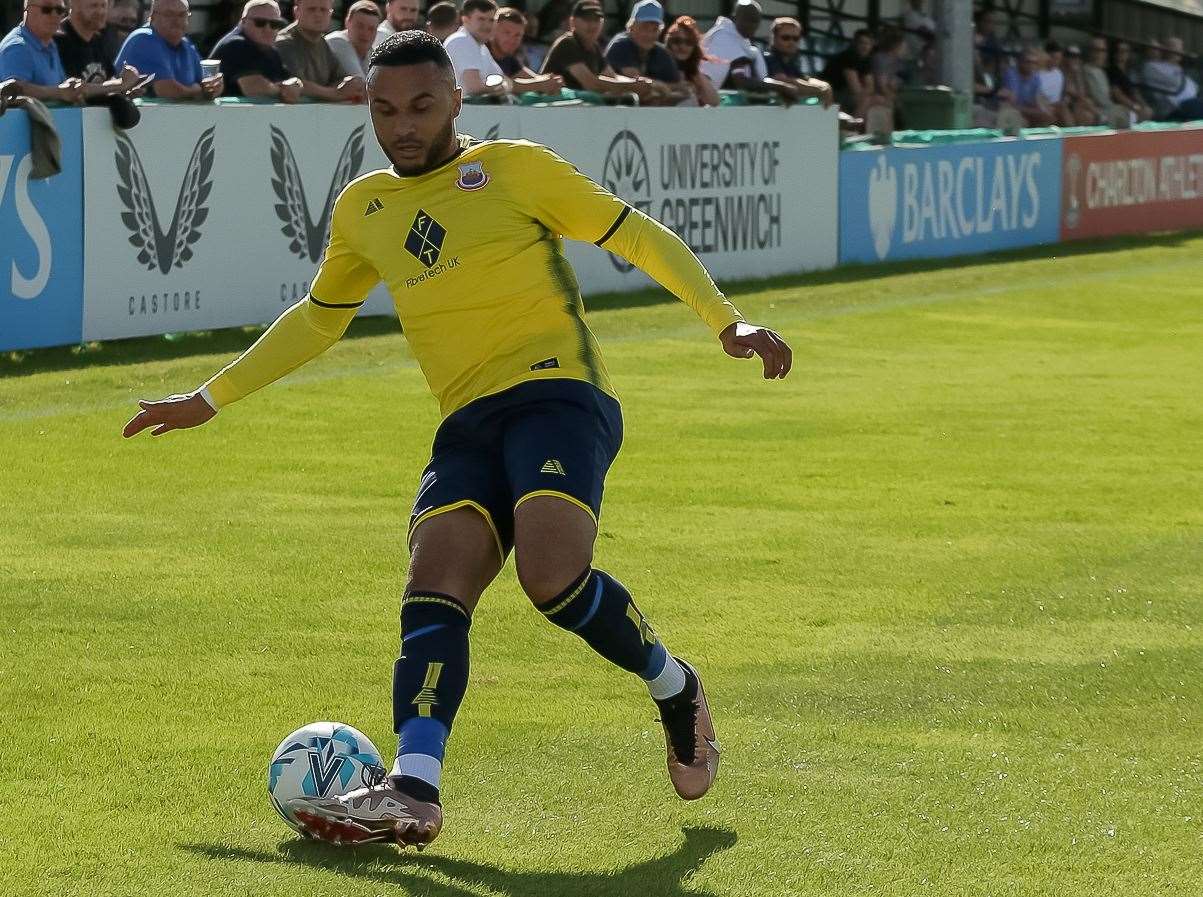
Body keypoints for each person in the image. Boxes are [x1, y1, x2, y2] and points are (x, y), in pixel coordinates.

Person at [123, 28, 791, 852]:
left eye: (420, 105)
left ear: (455, 100)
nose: (401, 124)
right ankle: (414, 787)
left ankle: (675, 686)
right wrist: (209, 396)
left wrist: (728, 320)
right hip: (466, 420)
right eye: (383, 108)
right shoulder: (364, 208)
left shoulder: (515, 169)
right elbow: (317, 320)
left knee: (551, 579)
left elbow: (637, 234)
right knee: (432, 583)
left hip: (557, 393)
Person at [540, 0, 651, 99]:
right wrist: (631, 86)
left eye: (596, 20)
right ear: (572, 22)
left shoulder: (594, 47)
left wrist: (637, 83)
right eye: (587, 19)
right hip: (546, 109)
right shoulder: (567, 44)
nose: (592, 25)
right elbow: (591, 84)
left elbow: (613, 77)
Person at [115, 0, 221, 99]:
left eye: (182, 15)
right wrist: (200, 92)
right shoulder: (144, 38)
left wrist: (215, 86)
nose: (177, 21)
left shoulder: (185, 45)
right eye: (169, 14)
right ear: (152, 17)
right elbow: (167, 90)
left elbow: (207, 83)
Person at [275, 0, 364, 101]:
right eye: (311, 9)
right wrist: (337, 93)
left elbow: (340, 79)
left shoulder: (322, 43)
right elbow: (298, 84)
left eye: (323, 10)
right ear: (296, 11)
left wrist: (351, 86)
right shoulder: (285, 43)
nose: (318, 14)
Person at [209, 0, 300, 100]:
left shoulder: (272, 51)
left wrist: (295, 83)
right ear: (243, 22)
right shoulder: (236, 44)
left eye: (274, 24)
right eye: (260, 23)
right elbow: (255, 88)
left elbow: (289, 81)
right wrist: (285, 89)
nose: (268, 29)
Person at [55, 0, 145, 98]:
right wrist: (120, 85)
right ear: (74, 5)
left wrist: (126, 90)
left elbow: (108, 82)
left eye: (103, 6)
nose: (101, 12)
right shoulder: (58, 40)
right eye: (94, 5)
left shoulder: (98, 40)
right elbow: (72, 90)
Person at [0, 0, 85, 102]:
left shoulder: (50, 44)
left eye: (59, 10)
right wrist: (59, 92)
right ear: (28, 11)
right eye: (46, 9)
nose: (54, 15)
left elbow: (62, 89)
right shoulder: (17, 48)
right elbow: (11, 92)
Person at [604, 0, 686, 105]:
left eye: (655, 29)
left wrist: (663, 90)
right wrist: (660, 87)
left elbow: (682, 88)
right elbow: (637, 83)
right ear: (631, 27)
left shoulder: (661, 52)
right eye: (644, 28)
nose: (649, 34)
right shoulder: (621, 45)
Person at [444, 0, 511, 97]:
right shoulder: (462, 41)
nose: (487, 25)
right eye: (481, 19)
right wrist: (501, 88)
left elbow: (503, 79)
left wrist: (503, 86)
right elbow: (474, 88)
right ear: (465, 20)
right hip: (462, 110)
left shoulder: (481, 47)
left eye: (491, 20)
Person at [487, 6, 561, 94]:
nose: (512, 40)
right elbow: (498, 85)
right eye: (507, 33)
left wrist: (552, 82)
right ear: (493, 30)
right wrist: (539, 85)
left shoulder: (509, 59)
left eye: (517, 35)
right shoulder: (482, 53)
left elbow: (533, 79)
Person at [764, 17, 831, 107]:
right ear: (773, 38)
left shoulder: (789, 63)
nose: (791, 42)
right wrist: (820, 90)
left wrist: (825, 86)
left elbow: (804, 79)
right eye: (785, 38)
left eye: (796, 38)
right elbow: (785, 81)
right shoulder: (769, 58)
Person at [663, 15, 716, 106]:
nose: (682, 47)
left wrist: (695, 70)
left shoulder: (695, 74)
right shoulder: (658, 68)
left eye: (689, 42)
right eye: (677, 41)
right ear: (669, 44)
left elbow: (714, 101)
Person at [820, 27, 874, 114]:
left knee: (875, 99)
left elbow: (870, 86)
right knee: (867, 100)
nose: (865, 46)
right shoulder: (849, 57)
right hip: (831, 92)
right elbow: (854, 88)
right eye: (862, 43)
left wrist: (866, 94)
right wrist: (865, 96)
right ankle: (852, 125)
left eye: (868, 43)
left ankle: (854, 124)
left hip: (844, 92)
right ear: (855, 43)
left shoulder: (866, 59)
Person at [1000, 46, 1053, 126]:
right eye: (1028, 62)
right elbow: (1011, 104)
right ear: (1020, 62)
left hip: (1024, 109)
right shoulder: (1011, 74)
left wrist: (1043, 109)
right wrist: (1036, 111)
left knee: (1047, 115)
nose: (1031, 65)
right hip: (1008, 110)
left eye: (1034, 62)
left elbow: (1037, 100)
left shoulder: (1035, 77)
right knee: (1025, 119)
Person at [326, 0, 378, 79]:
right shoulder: (338, 42)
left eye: (371, 29)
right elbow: (360, 83)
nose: (365, 33)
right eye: (360, 26)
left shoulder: (370, 52)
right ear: (347, 23)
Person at [1108, 39, 1150, 122]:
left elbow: (1135, 92)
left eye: (1125, 51)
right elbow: (1116, 93)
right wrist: (1134, 106)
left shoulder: (1129, 71)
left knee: (1148, 111)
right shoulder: (1112, 71)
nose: (1123, 54)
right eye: (1120, 51)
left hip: (1133, 105)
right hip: (1120, 107)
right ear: (1115, 53)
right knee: (1136, 115)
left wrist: (1144, 105)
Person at [1060, 44, 1097, 126]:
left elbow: (1081, 93)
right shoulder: (1061, 72)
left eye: (1077, 57)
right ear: (1066, 58)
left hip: (1075, 104)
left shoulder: (1079, 73)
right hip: (1063, 104)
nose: (1075, 59)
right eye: (1072, 56)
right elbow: (1068, 91)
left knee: (1088, 115)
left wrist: (1076, 74)